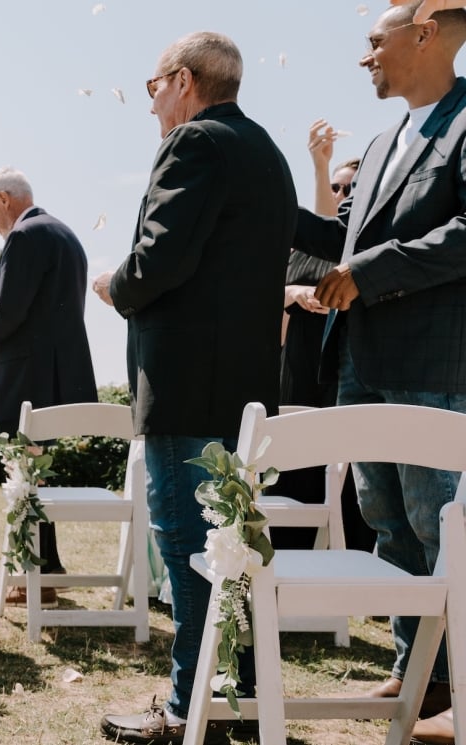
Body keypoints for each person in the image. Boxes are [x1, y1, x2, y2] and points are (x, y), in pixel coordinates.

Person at [92, 31, 296, 744]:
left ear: (182, 80)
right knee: (231, 546)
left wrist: (114, 286)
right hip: (244, 389)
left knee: (188, 546)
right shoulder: (266, 152)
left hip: (185, 385)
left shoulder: (194, 142)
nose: (152, 105)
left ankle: (188, 709)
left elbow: (160, 259)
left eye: (153, 88)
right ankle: (237, 692)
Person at [292, 3, 466, 737]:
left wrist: (369, 272)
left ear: (424, 35)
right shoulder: (381, 139)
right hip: (360, 361)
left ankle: (462, 687)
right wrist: (266, 207)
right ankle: (417, 673)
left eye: (374, 40)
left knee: (439, 526)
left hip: (432, 363)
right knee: (388, 525)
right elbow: (343, 240)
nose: (365, 56)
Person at [0, 167, 97, 607]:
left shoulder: (25, 235)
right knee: (35, 475)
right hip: (55, 377)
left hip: (26, 381)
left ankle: (32, 580)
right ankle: (46, 570)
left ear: (4, 200)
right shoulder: (65, 234)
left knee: (24, 477)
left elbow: (8, 311)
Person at [269, 134, 374, 552]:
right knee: (291, 483)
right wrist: (292, 293)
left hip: (340, 380)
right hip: (294, 378)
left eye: (350, 189)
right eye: (335, 187)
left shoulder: (360, 251)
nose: (341, 194)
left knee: (345, 493)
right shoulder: (297, 251)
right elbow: (264, 304)